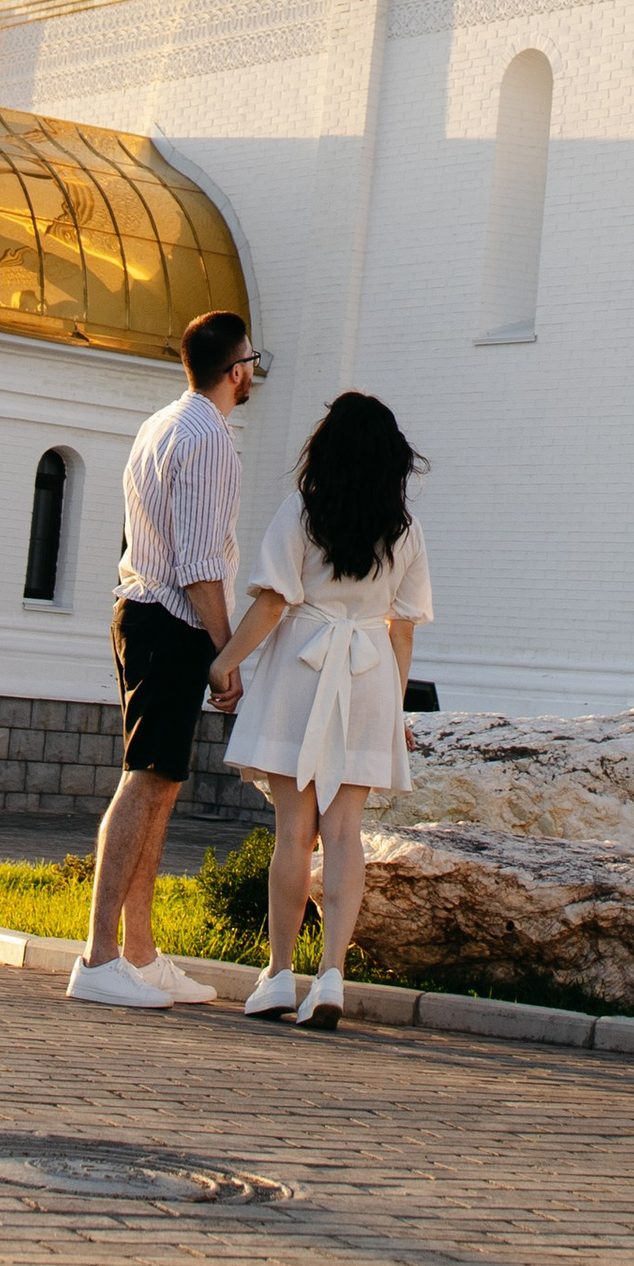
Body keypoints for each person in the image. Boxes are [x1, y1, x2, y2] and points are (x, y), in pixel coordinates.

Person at [210, 391, 434, 1032]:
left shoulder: (303, 513)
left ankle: (279, 974)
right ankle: (331, 973)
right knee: (344, 833)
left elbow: (274, 603)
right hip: (367, 675)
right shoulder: (406, 528)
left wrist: (225, 661)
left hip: (300, 674)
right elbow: (404, 628)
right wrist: (393, 706)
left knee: (293, 831)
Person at [65, 309, 265, 1013]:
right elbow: (200, 564)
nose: (252, 374)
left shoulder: (161, 423)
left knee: (161, 783)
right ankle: (99, 957)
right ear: (234, 368)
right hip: (172, 621)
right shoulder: (209, 437)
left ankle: (141, 953)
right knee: (145, 781)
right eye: (251, 362)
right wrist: (227, 652)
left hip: (143, 612)